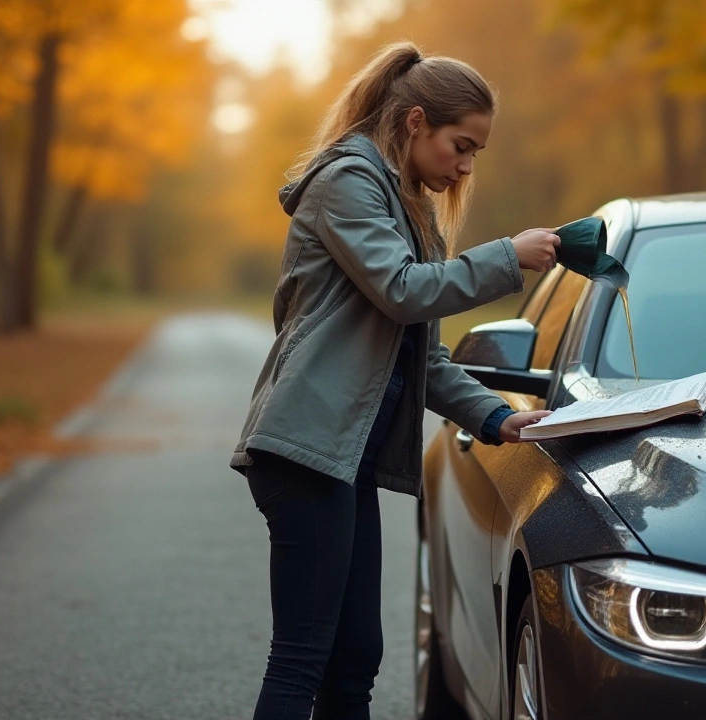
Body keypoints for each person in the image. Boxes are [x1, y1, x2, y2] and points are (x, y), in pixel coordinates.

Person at [229, 41, 560, 720]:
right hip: (305, 449)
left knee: (355, 661)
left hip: (342, 457)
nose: (466, 165)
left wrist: (497, 418)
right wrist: (505, 257)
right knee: (303, 657)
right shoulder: (347, 183)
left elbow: (423, 359)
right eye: (459, 145)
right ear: (415, 122)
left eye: (476, 154)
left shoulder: (412, 214)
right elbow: (401, 292)